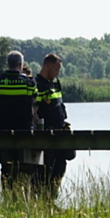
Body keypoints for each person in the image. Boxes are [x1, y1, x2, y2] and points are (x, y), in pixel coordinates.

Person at [0, 51, 38, 187]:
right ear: (21, 65)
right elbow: (33, 100)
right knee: (24, 167)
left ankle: (8, 198)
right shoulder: (29, 82)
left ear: (8, 64)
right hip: (24, 131)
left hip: (2, 130)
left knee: (6, 167)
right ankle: (22, 197)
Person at [33, 53, 74, 199]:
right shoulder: (38, 84)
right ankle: (43, 202)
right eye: (56, 69)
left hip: (60, 133)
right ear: (48, 66)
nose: (58, 73)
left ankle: (51, 199)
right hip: (46, 137)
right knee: (44, 171)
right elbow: (34, 112)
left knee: (60, 167)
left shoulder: (55, 83)